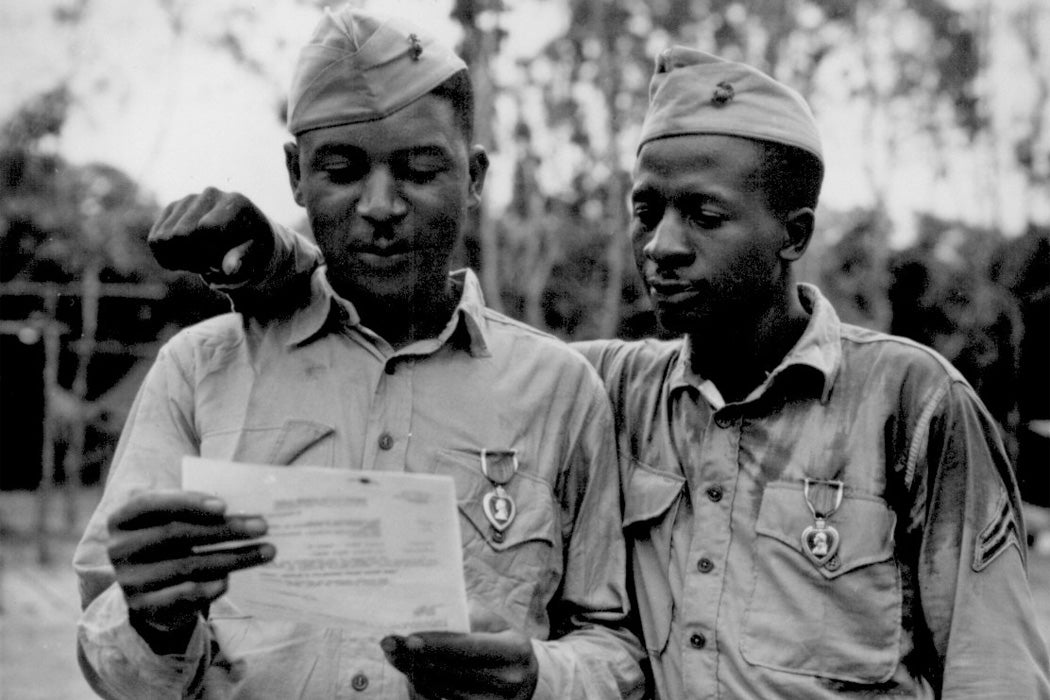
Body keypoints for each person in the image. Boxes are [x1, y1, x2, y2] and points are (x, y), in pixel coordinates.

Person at [150, 41, 1050, 700]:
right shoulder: (607, 389)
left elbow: (995, 668)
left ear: (795, 235)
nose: (662, 246)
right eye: (646, 209)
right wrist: (278, 266)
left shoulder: (910, 403)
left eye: (704, 215)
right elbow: (419, 344)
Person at [72, 7, 647, 699]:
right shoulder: (199, 371)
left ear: (475, 175)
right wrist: (153, 624)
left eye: (419, 169)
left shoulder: (558, 389)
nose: (379, 204)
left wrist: (537, 676)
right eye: (342, 169)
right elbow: (110, 660)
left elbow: (614, 645)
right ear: (294, 173)